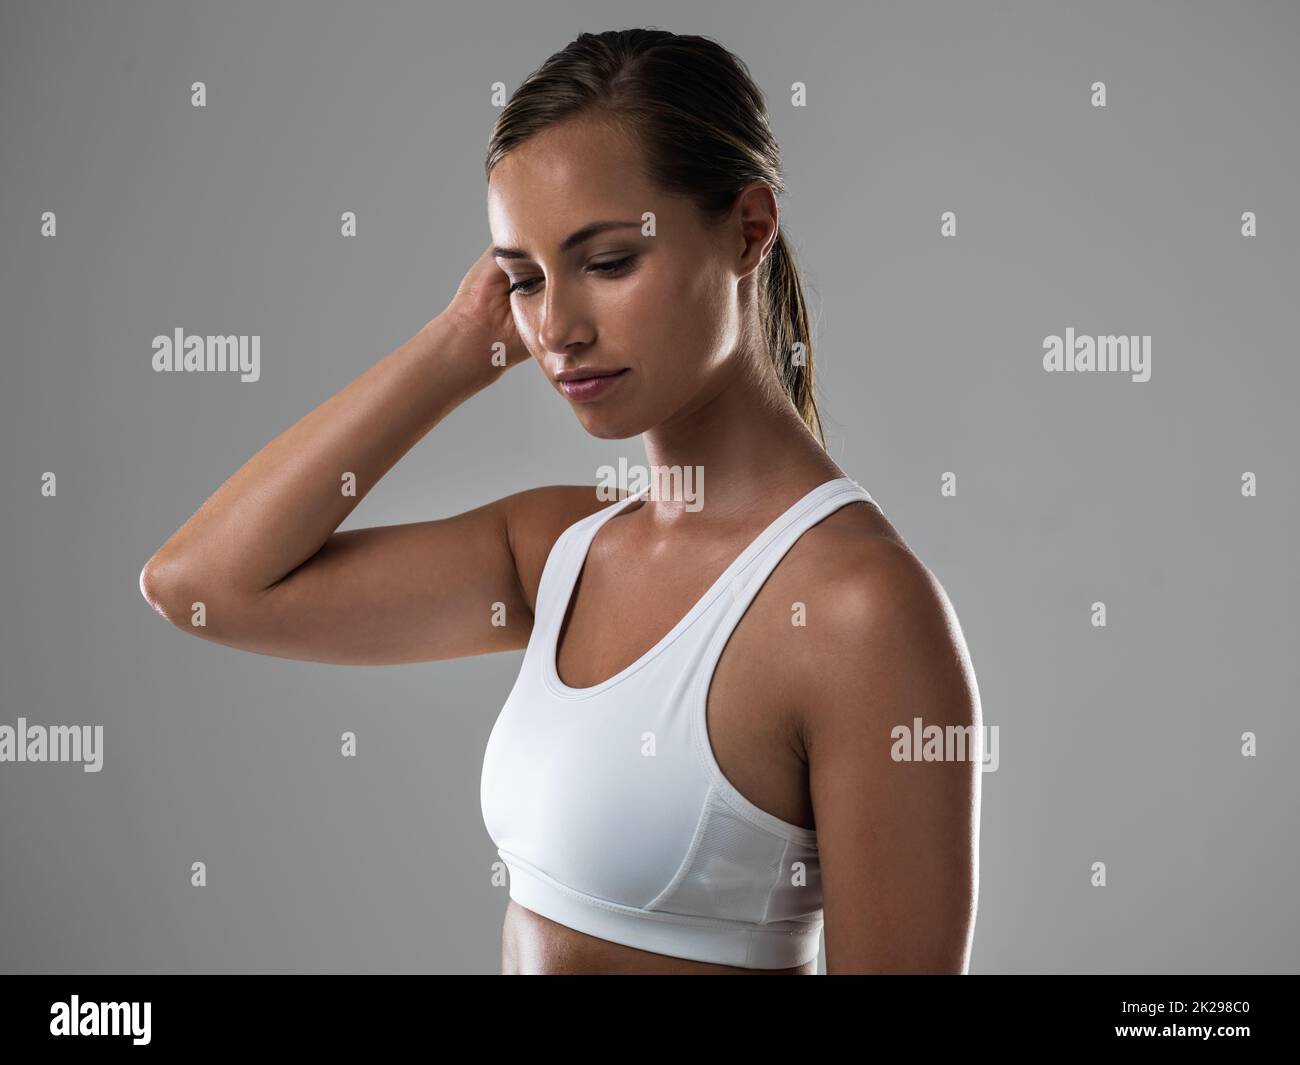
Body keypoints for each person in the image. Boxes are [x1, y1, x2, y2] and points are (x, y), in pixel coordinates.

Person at [140, 29, 981, 975]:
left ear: (749, 230)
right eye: (525, 279)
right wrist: (458, 340)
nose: (556, 329)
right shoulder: (559, 552)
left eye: (609, 261)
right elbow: (201, 584)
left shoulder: (859, 610)